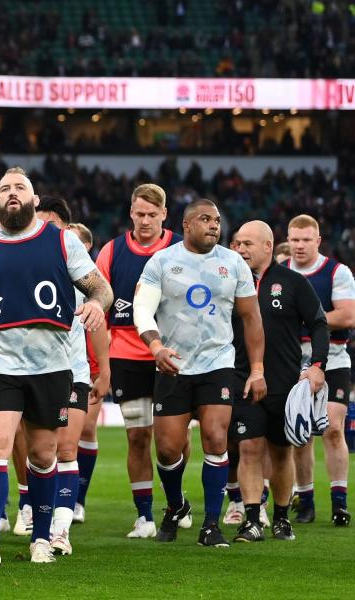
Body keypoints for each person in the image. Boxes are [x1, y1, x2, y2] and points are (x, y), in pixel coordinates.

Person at [0, 166, 113, 567]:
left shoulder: (62, 242)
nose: (12, 192)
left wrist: (97, 304)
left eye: (20, 187)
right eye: (4, 189)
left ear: (33, 200)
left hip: (51, 364)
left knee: (44, 455)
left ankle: (42, 537)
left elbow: (100, 286)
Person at [133, 198, 266, 547]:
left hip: (217, 363)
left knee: (216, 437)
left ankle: (211, 524)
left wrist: (256, 368)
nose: (214, 225)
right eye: (205, 219)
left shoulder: (233, 263)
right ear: (187, 224)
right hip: (172, 364)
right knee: (166, 449)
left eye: (218, 220)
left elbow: (251, 318)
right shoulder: (162, 261)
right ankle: (176, 505)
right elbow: (142, 309)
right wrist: (156, 347)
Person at [94, 183, 184, 538]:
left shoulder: (180, 248)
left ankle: (176, 500)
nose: (145, 221)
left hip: (172, 354)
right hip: (127, 355)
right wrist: (103, 364)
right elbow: (98, 305)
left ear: (164, 214)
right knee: (137, 437)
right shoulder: (112, 252)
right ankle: (145, 515)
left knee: (173, 440)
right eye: (139, 214)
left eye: (152, 215)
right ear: (131, 213)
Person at [230, 220, 328, 542]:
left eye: (248, 244)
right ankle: (252, 518)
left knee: (282, 453)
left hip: (284, 384)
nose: (240, 249)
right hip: (243, 380)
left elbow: (319, 324)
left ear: (268, 247)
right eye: (238, 243)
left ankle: (282, 517)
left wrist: (317, 365)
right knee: (248, 449)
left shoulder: (292, 282)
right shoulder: (227, 281)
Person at [34, 199, 111, 556]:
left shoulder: (78, 268)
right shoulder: (19, 261)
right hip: (26, 372)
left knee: (66, 449)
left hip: (71, 372)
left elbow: (94, 317)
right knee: (38, 453)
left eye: (51, 225)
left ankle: (60, 531)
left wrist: (103, 368)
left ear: (65, 229)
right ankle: (35, 520)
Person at [284, 214, 354, 526]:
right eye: (294, 239)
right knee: (300, 434)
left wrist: (307, 317)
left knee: (333, 427)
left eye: (305, 240)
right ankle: (306, 500)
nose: (299, 245)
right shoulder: (279, 273)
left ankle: (339, 502)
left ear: (317, 241)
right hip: (290, 361)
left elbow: (347, 316)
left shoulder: (337, 272)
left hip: (334, 358)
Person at [68, 222, 104, 524]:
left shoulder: (90, 281)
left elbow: (99, 325)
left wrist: (103, 368)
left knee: (85, 430)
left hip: (86, 361)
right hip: (57, 361)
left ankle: (77, 500)